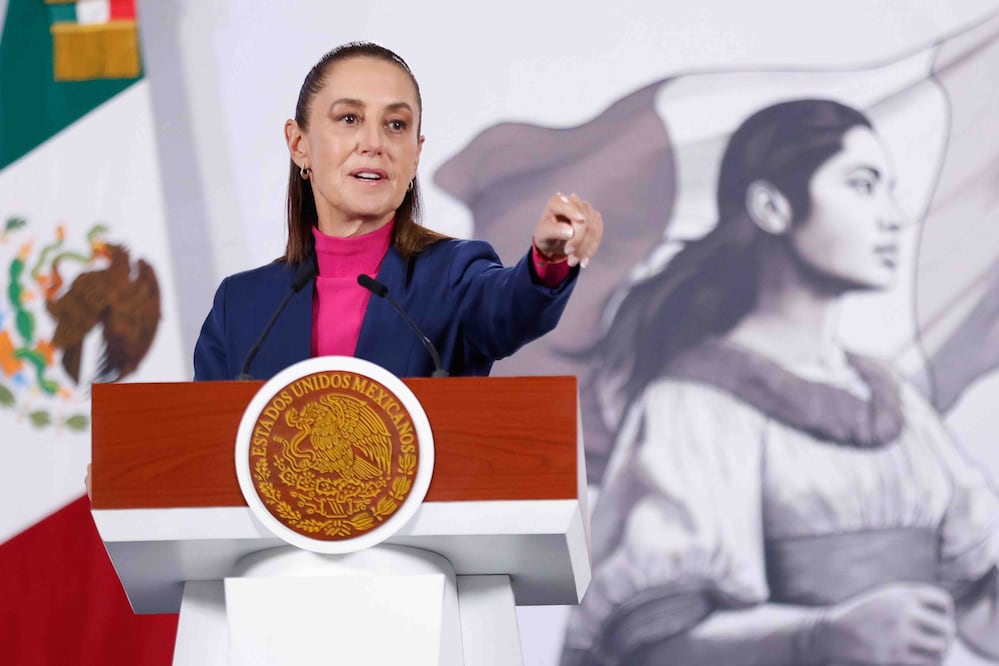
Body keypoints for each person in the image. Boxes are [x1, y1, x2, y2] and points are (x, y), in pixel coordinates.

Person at [562, 100, 999, 665]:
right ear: (772, 207)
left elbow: (980, 595)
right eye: (863, 185)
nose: (893, 216)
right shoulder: (696, 404)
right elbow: (648, 640)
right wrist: (817, 637)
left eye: (890, 189)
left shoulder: (893, 401)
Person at [192, 41, 603, 381]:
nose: (374, 143)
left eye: (396, 125)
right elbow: (202, 452)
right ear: (299, 144)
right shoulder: (241, 306)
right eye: (349, 118)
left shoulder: (454, 277)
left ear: (415, 156)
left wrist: (548, 260)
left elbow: (512, 309)